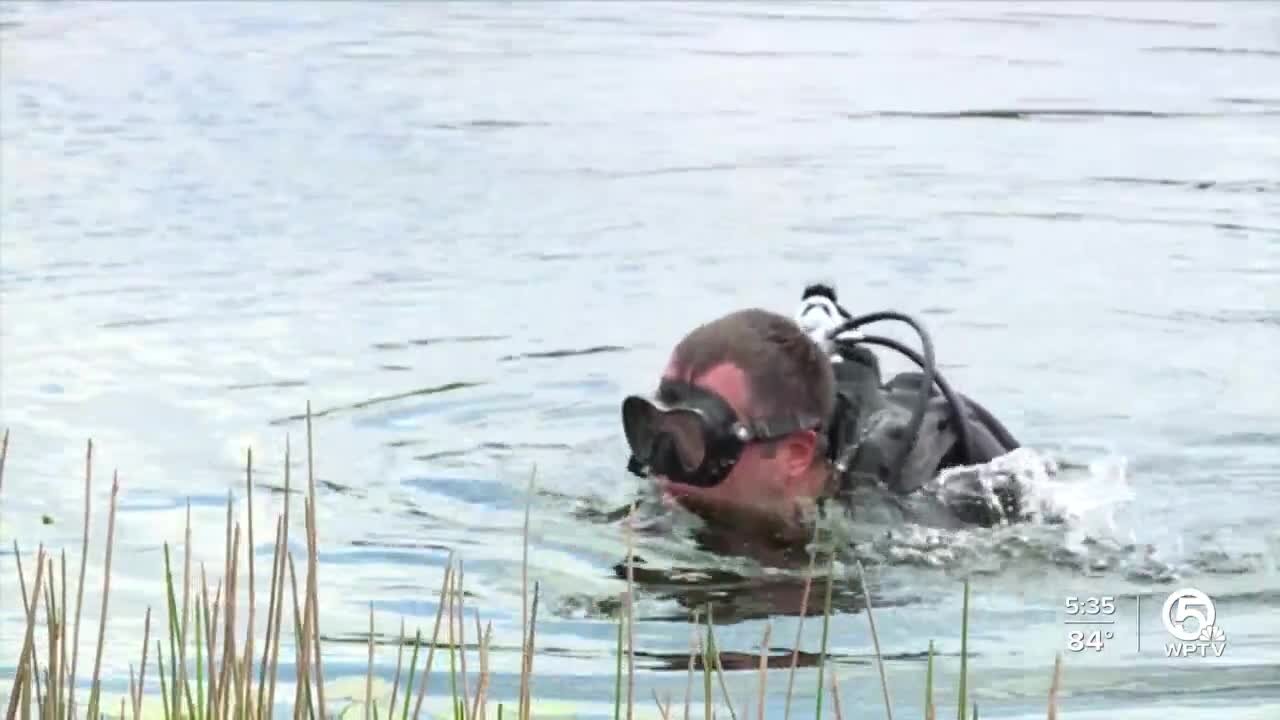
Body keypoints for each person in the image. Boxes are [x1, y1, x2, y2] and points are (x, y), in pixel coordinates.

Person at [620, 284, 1030, 548]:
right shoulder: (676, 477)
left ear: (795, 455)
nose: (661, 468)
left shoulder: (901, 521)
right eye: (653, 427)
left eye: (693, 438)